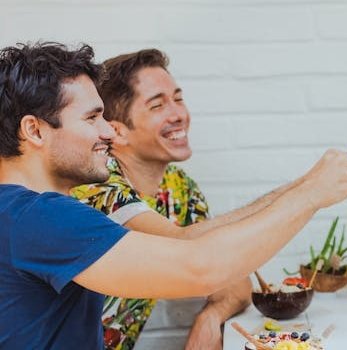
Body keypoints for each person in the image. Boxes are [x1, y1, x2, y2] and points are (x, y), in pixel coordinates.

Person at [0, 42, 347, 349]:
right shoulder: (40, 218)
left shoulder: (24, 213)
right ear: (34, 130)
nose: (108, 132)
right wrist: (311, 194)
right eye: (92, 118)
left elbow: (217, 268)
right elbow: (200, 267)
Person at [69, 49, 249, 350]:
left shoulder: (179, 188)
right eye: (157, 105)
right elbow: (190, 248)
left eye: (178, 99)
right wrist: (304, 194)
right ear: (116, 132)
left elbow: (236, 283)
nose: (179, 114)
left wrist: (212, 316)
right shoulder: (94, 187)